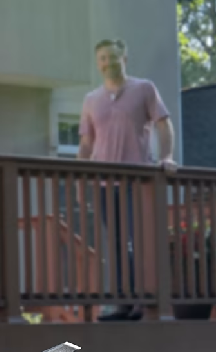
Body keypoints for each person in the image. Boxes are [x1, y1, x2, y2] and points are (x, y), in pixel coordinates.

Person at [78, 38, 177, 322]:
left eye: (113, 57)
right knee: (116, 245)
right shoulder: (91, 100)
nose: (108, 63)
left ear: (125, 58)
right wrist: (78, 179)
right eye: (103, 59)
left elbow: (163, 123)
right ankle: (124, 304)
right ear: (99, 64)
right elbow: (86, 144)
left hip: (137, 182)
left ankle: (142, 303)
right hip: (103, 184)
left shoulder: (143, 89)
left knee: (138, 242)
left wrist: (166, 157)